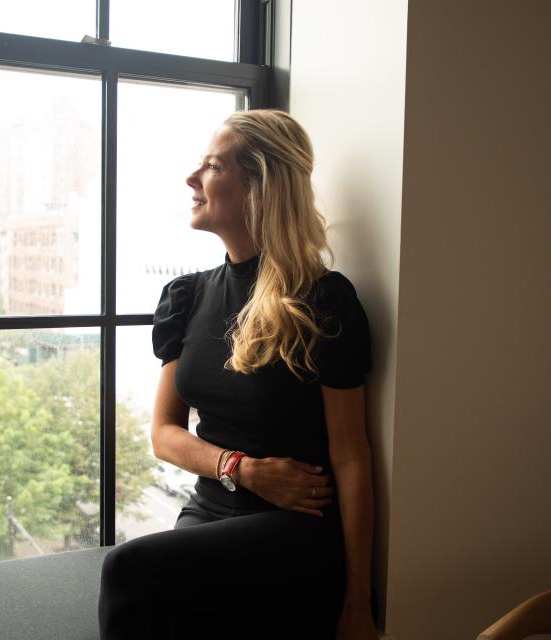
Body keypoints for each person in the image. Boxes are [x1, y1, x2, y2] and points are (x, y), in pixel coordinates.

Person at [98, 109, 378, 640]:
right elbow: (164, 435)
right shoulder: (188, 296)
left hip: (296, 529)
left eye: (212, 166)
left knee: (127, 570)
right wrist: (240, 469)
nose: (192, 179)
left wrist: (357, 603)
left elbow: (351, 454)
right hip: (208, 511)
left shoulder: (322, 300)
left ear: (260, 186)